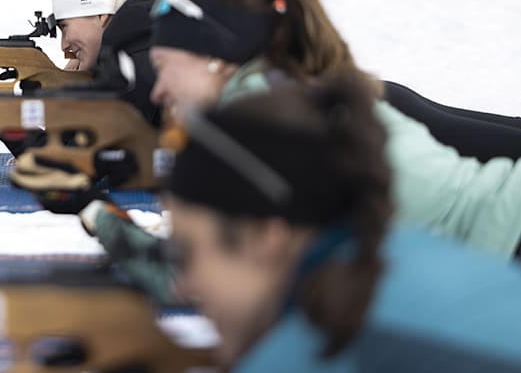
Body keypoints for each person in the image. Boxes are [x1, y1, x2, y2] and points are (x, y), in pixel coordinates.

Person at [145, 0, 521, 259]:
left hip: (503, 236)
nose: (157, 90)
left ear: (215, 58)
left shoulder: (260, 113)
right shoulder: (273, 92)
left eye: (163, 66)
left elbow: (229, 265)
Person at [161, 77, 521, 370]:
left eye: (184, 252)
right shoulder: (398, 253)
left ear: (267, 238)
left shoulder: (322, 346)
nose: (182, 286)